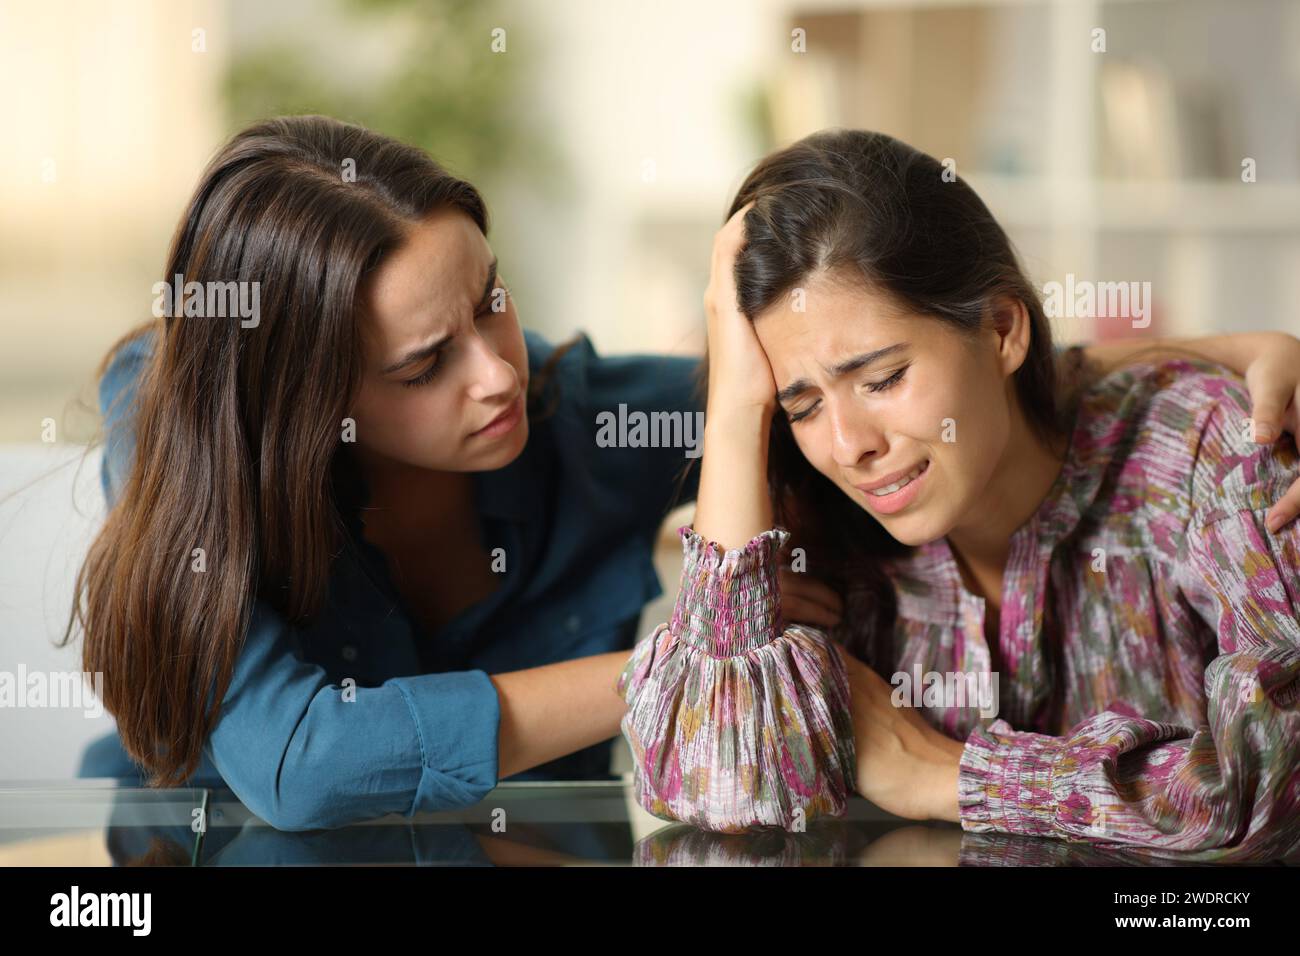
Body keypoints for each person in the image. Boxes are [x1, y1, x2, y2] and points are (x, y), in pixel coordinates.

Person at [71, 115, 1300, 835]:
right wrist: (679, 674)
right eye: (426, 361)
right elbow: (305, 764)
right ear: (306, 398)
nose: (502, 370)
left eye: (493, 302)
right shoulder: (187, 424)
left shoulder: (585, 416)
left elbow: (888, 362)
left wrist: (1195, 356)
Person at [627, 128, 1300, 861]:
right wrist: (733, 414)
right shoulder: (804, 545)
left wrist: (948, 774)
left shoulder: (1209, 450)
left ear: (1003, 328)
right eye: (802, 405)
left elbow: (1276, 781)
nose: (850, 445)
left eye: (881, 379)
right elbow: (713, 792)